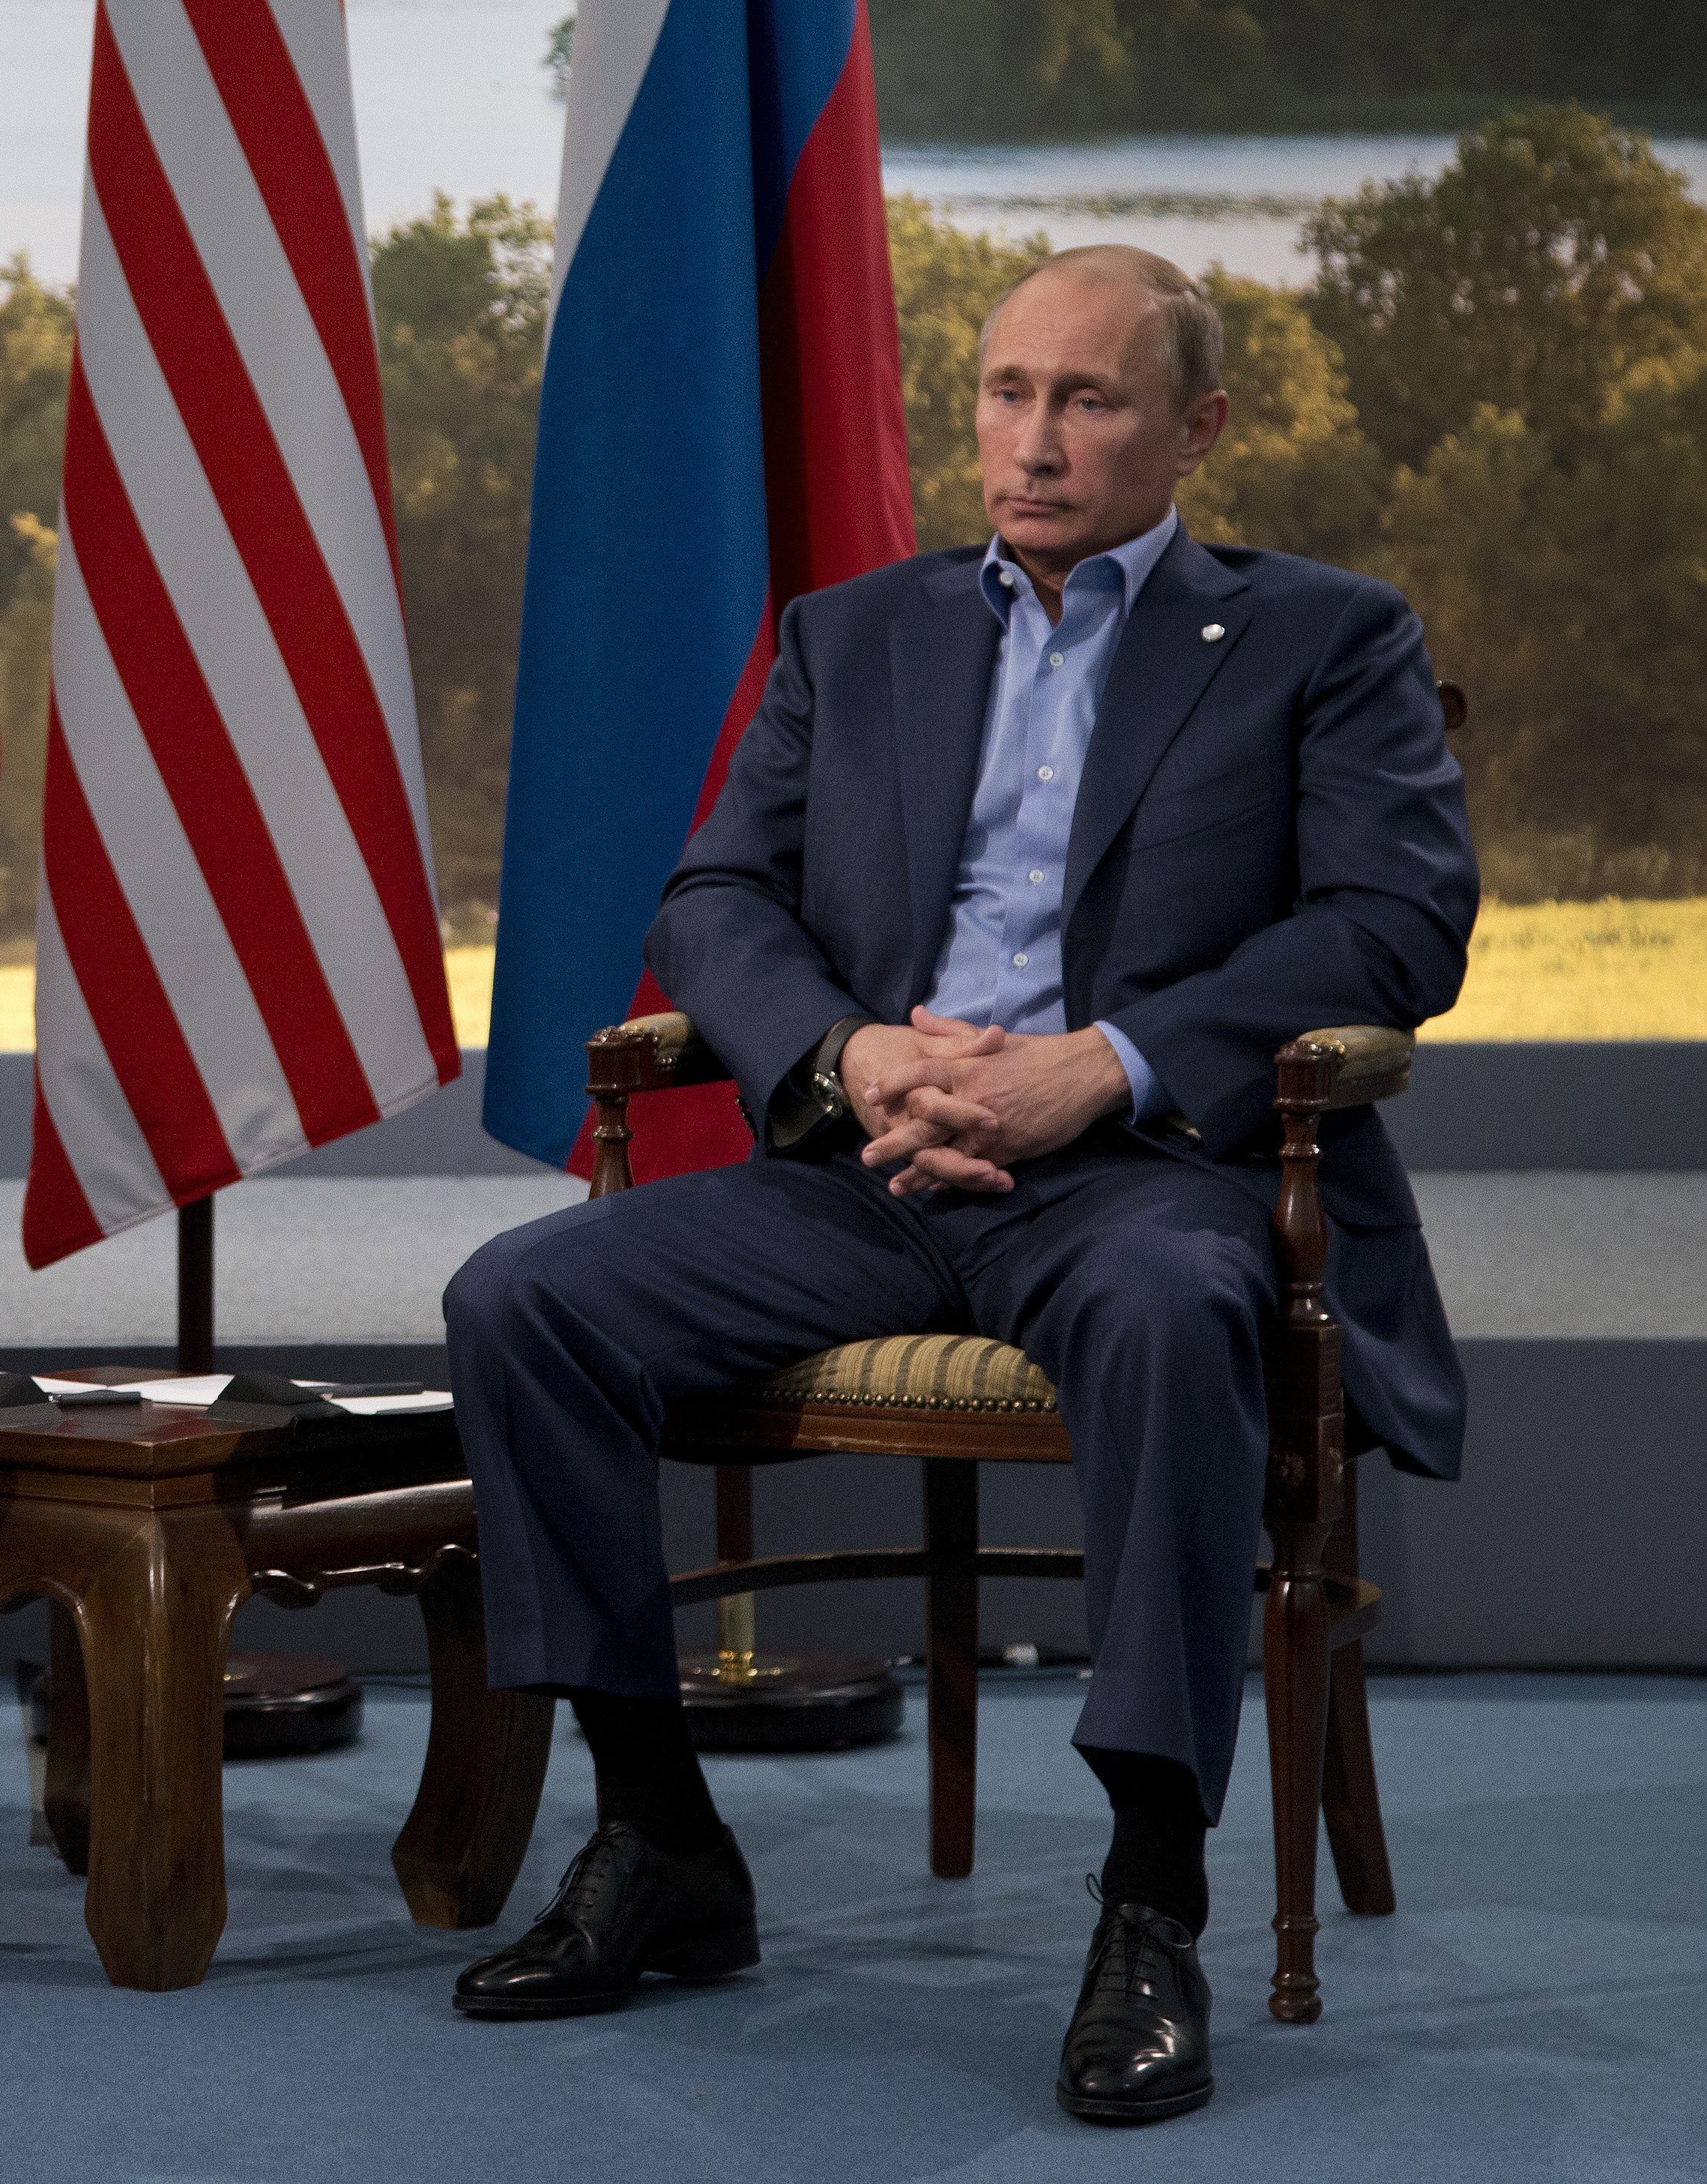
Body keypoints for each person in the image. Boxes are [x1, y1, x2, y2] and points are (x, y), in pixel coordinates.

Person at [440, 245, 1474, 2124]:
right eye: (1006, 393)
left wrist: (1105, 1062)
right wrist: (851, 1059)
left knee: (1174, 1310)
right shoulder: (856, 631)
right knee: (524, 1300)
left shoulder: (1324, 635)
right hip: (877, 1168)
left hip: (1144, 1174)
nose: (1034, 439)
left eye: (1086, 400)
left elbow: (1395, 925)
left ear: (1195, 427)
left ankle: (1149, 1896)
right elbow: (713, 899)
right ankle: (659, 1835)